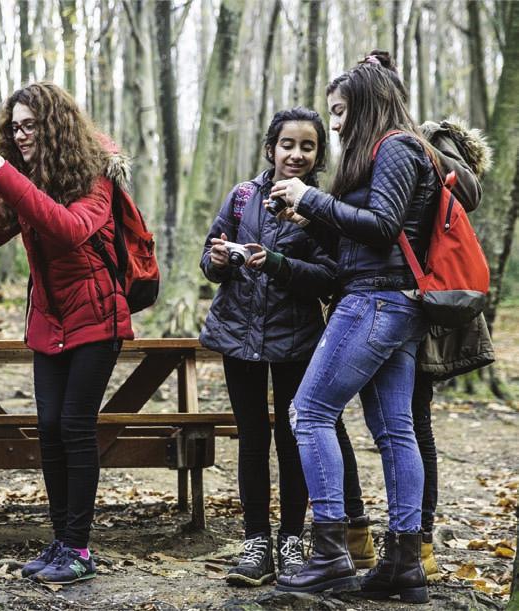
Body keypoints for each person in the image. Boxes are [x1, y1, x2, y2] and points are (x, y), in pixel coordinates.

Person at [0, 82, 133, 585]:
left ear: (55, 125)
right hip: (49, 319)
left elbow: (69, 228)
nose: (21, 135)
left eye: (31, 125)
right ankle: (61, 541)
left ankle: (79, 548)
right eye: (14, 127)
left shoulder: (97, 175)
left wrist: (6, 177)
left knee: (75, 426)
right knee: (49, 429)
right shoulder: (27, 176)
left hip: (98, 313)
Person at [272, 60, 441, 604]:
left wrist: (309, 196)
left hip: (375, 301)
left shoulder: (395, 146)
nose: (335, 124)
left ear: (364, 105)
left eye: (340, 112)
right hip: (394, 303)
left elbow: (384, 227)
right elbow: (374, 229)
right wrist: (315, 217)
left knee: (309, 411)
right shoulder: (397, 150)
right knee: (395, 431)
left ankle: (329, 555)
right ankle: (403, 564)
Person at [200, 108, 373, 587]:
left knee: (294, 438)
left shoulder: (323, 207)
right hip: (238, 336)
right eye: (288, 145)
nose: (296, 154)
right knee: (252, 440)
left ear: (318, 154)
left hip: (297, 341)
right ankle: (256, 541)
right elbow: (208, 258)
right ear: (271, 147)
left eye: (307, 146)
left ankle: (292, 540)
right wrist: (218, 260)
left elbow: (331, 277)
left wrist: (275, 263)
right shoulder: (241, 197)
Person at [359, 50, 494, 581]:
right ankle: (383, 541)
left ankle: (418, 544)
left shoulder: (424, 142)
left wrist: (422, 141)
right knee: (396, 424)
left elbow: (471, 191)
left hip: (427, 305)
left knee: (414, 424)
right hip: (384, 297)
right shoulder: (364, 147)